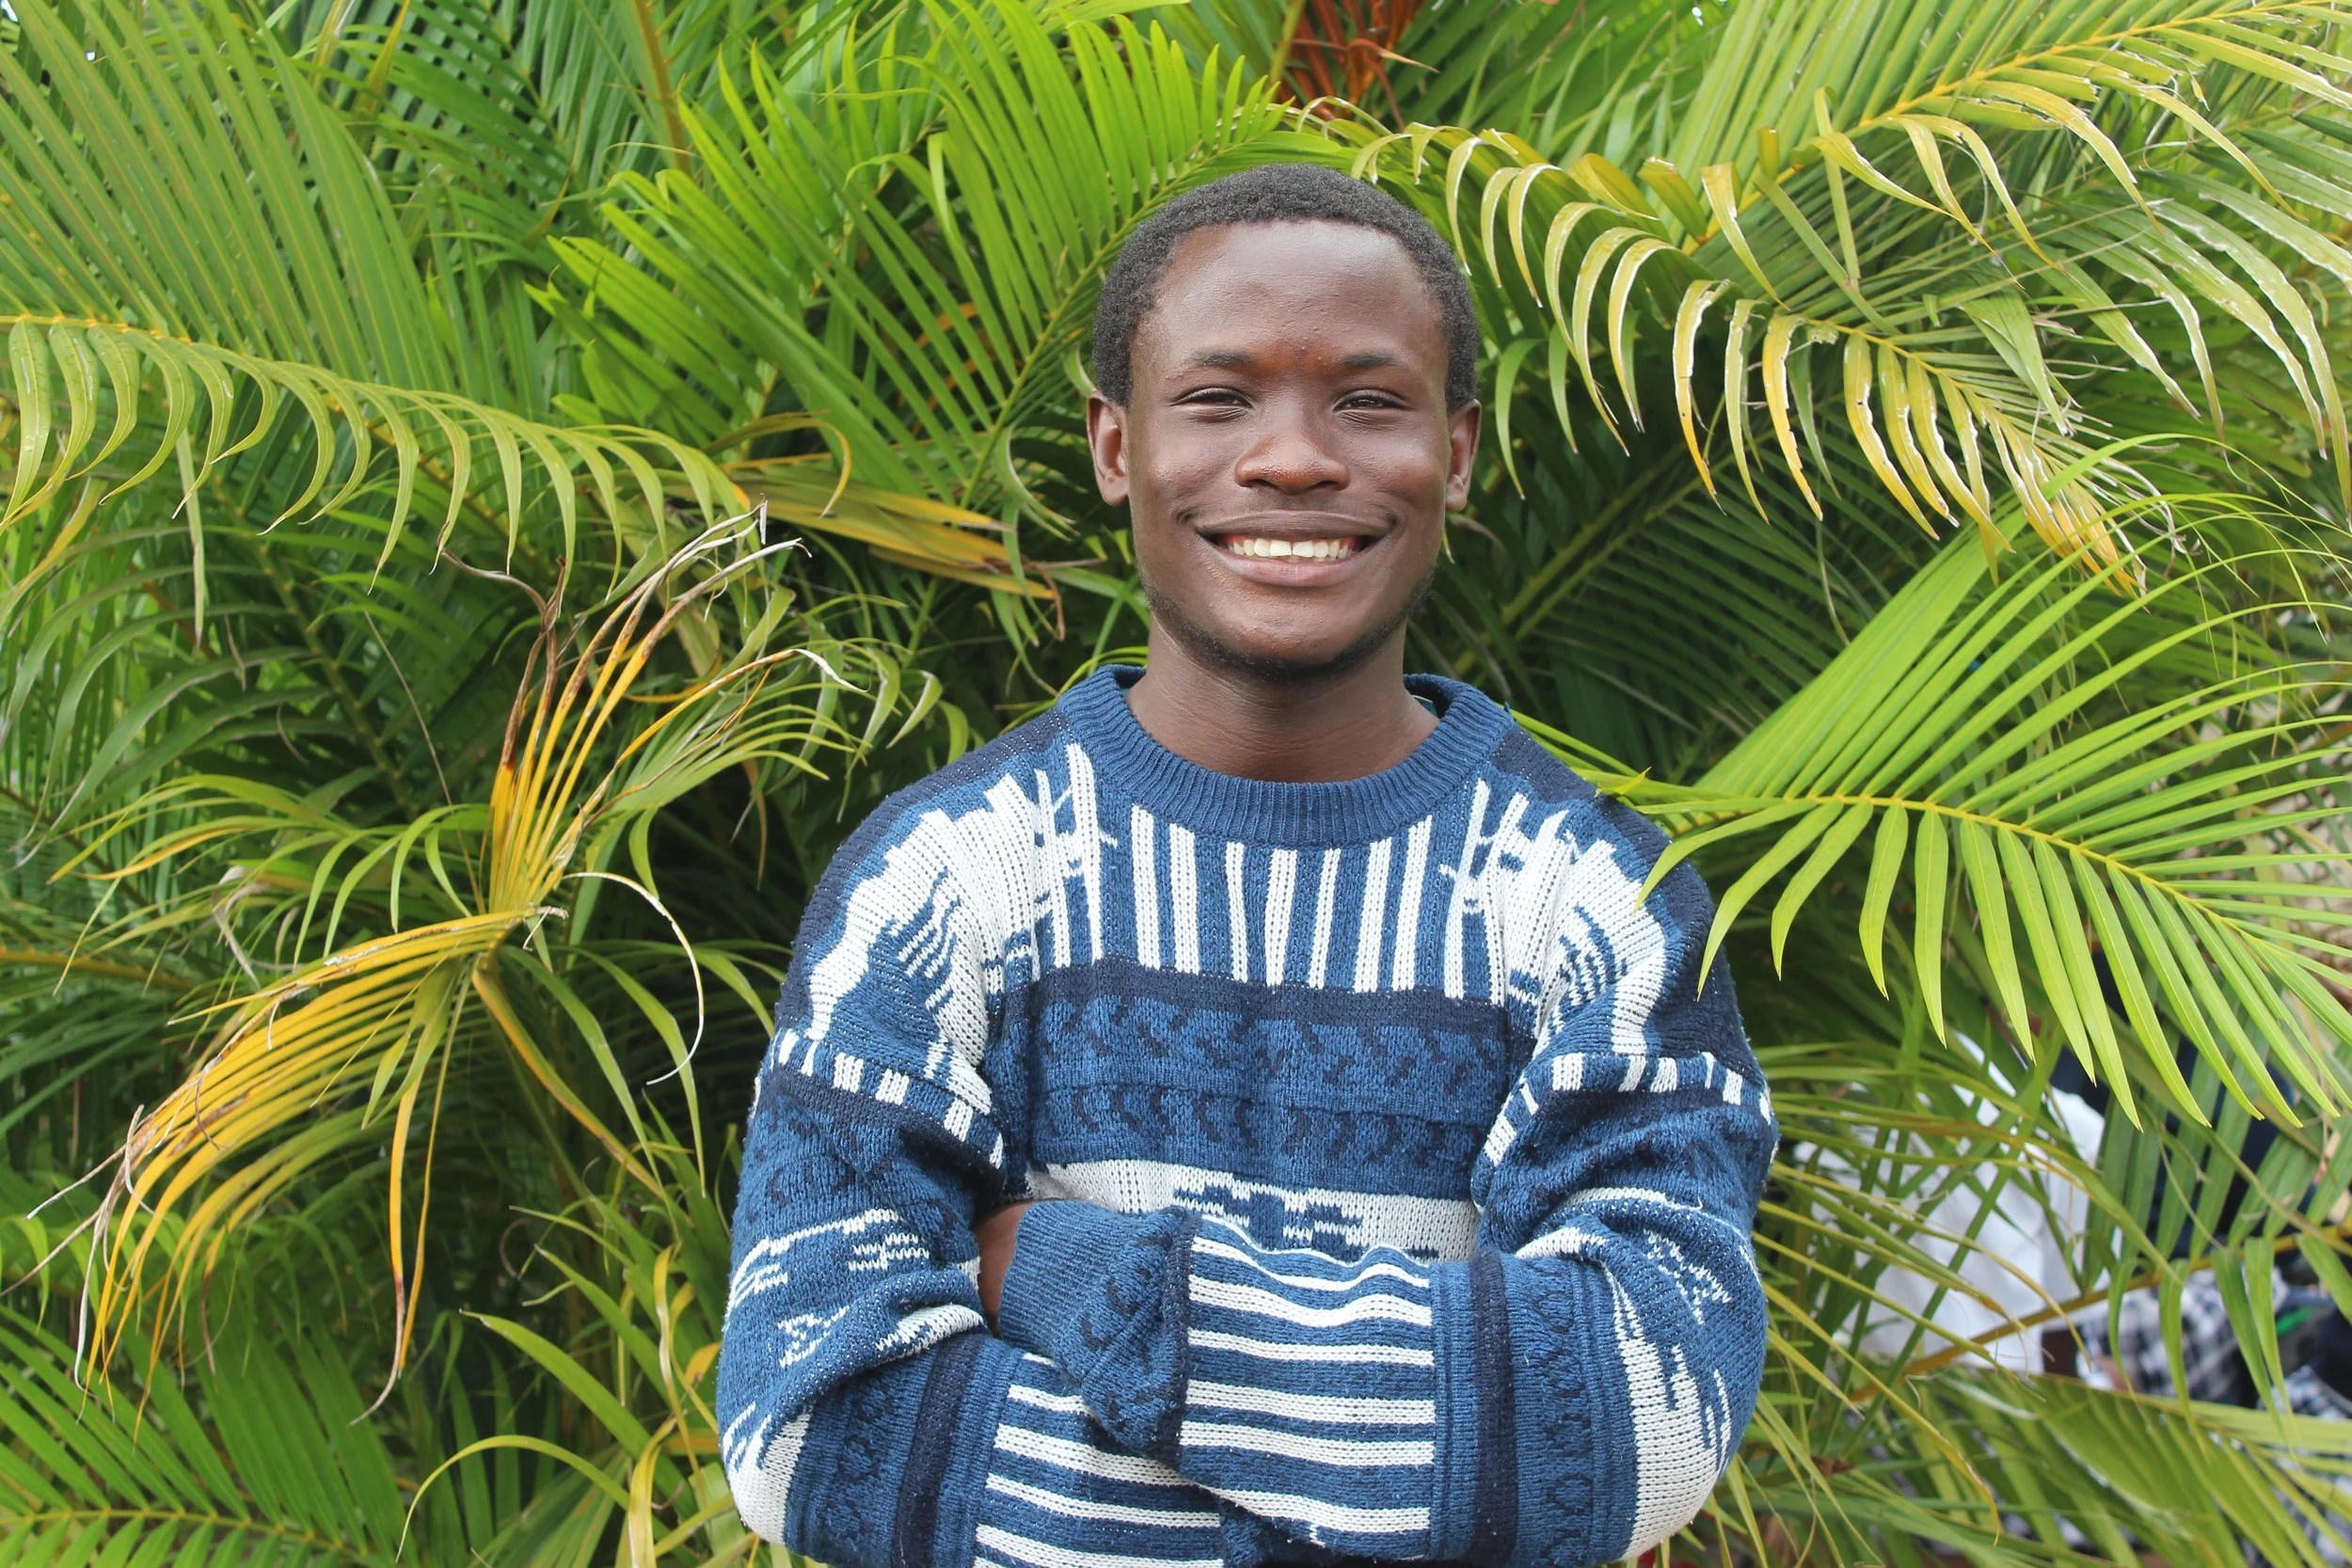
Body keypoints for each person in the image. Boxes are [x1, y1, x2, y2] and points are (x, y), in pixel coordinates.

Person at [715, 163, 1776, 1568]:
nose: (1291, 458)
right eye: (1218, 399)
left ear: (1456, 452)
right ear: (1114, 444)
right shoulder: (944, 886)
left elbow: (1641, 1410)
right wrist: (1440, 1469)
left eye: (1368, 399)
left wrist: (1067, 1270)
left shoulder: (1591, 906)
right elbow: (813, 1429)